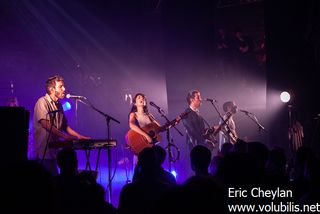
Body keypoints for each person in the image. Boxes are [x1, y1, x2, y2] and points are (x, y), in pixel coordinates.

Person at [31, 75, 89, 176]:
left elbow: (65, 126)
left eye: (63, 86)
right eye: (61, 86)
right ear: (52, 89)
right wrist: (65, 137)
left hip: (54, 152)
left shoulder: (59, 105)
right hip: (44, 153)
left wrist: (78, 136)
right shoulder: (42, 102)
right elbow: (46, 124)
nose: (64, 89)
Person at [125, 93, 162, 162]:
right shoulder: (133, 114)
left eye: (143, 98)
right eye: (139, 97)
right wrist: (146, 135)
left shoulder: (150, 115)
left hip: (151, 146)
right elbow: (131, 125)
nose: (142, 98)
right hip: (140, 145)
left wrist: (171, 124)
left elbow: (160, 127)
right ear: (135, 103)